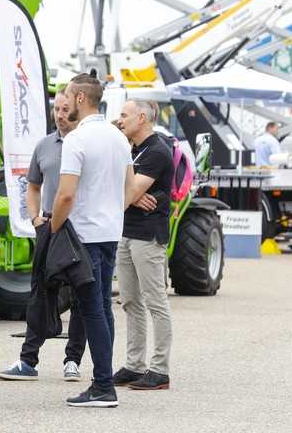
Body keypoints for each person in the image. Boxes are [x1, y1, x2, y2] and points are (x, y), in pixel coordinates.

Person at [51, 73, 134, 408]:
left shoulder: (76, 139)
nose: (65, 103)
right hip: (110, 233)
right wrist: (112, 213)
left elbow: (65, 195)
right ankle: (104, 378)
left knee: (92, 310)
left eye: (68, 97)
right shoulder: (118, 137)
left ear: (81, 99)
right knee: (101, 307)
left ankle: (103, 386)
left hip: (83, 236)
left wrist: (54, 228)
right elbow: (129, 187)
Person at [0, 88, 86, 382]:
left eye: (65, 109)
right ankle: (28, 360)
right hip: (49, 227)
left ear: (76, 108)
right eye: (56, 109)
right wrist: (35, 218)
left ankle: (72, 360)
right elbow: (32, 185)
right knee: (40, 294)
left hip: (79, 229)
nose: (60, 115)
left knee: (80, 297)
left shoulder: (85, 143)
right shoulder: (45, 145)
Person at [114, 99, 174, 391]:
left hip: (148, 236)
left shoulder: (158, 151)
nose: (119, 119)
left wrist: (132, 193)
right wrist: (134, 195)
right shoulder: (132, 149)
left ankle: (159, 370)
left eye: (124, 115)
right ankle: (134, 365)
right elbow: (126, 188)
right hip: (127, 232)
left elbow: (128, 190)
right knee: (130, 301)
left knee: (155, 302)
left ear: (141, 118)